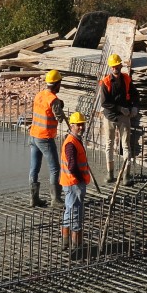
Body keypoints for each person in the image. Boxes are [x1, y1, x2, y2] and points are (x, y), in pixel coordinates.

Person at [27, 69, 66, 207]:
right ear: (56, 84)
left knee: (34, 168)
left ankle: (33, 199)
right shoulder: (53, 100)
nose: (60, 86)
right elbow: (60, 118)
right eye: (59, 83)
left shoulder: (39, 95)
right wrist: (60, 106)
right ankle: (55, 199)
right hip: (45, 138)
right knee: (55, 168)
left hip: (33, 135)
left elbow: (45, 107)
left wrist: (57, 103)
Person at [59, 111, 92, 259]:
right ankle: (76, 246)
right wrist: (80, 179)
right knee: (76, 214)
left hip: (70, 183)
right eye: (78, 125)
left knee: (69, 211)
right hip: (74, 184)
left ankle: (65, 242)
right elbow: (72, 166)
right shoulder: (71, 143)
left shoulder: (73, 140)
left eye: (82, 124)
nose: (81, 127)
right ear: (71, 126)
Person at [98, 53, 136, 158]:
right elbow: (104, 103)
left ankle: (126, 172)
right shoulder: (106, 82)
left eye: (117, 66)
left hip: (124, 116)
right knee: (109, 144)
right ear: (111, 67)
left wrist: (134, 107)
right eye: (113, 66)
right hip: (109, 116)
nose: (115, 68)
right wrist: (120, 108)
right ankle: (110, 173)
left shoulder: (126, 79)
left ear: (120, 66)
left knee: (126, 145)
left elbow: (135, 94)